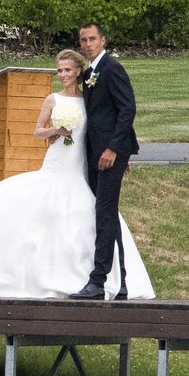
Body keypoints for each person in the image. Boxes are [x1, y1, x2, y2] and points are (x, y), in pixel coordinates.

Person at [0, 50, 154, 300]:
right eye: (60, 70)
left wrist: (119, 154)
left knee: (86, 217)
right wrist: (56, 130)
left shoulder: (89, 98)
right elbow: (37, 131)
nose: (63, 75)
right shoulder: (52, 99)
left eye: (68, 70)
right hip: (58, 161)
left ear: (78, 71)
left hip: (79, 167)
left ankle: (96, 278)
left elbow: (107, 123)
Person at [69, 23, 141, 300]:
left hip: (108, 154)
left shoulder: (111, 69)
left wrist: (115, 150)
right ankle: (121, 279)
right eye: (83, 40)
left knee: (105, 212)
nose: (87, 44)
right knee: (105, 213)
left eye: (92, 39)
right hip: (95, 153)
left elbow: (127, 109)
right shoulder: (90, 73)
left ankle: (98, 281)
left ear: (103, 40)